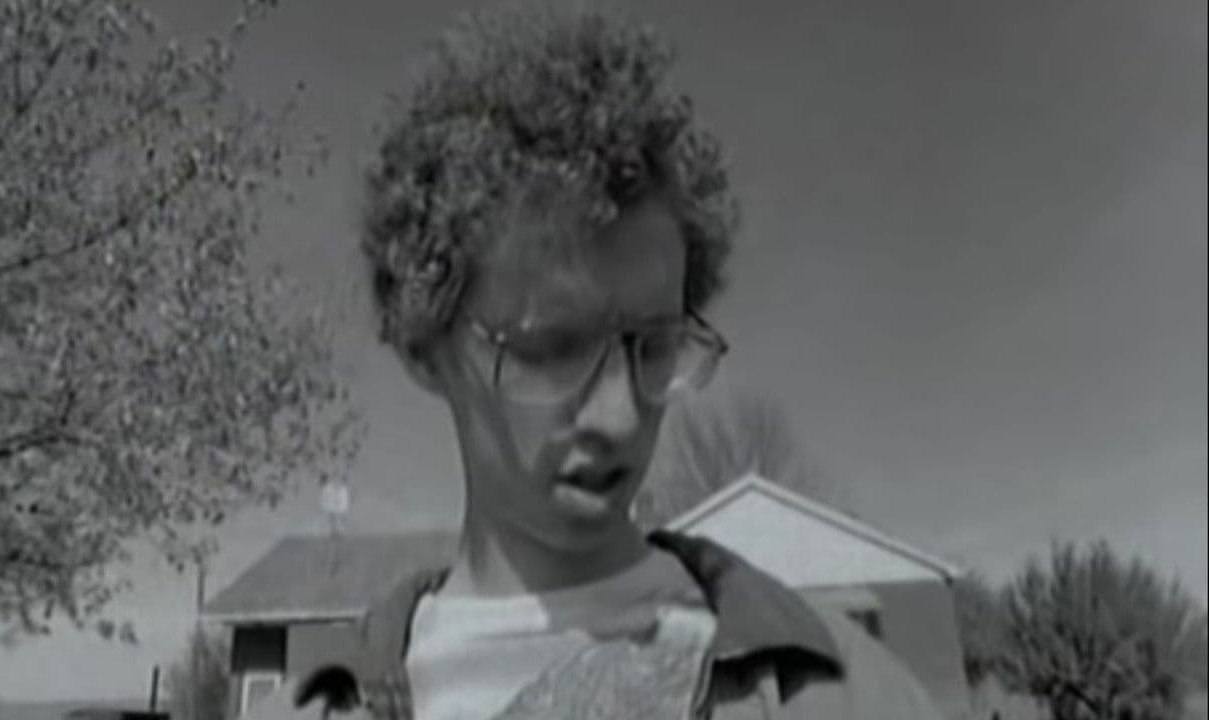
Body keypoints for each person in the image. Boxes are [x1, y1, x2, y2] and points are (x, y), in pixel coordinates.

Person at [248, 5, 946, 719]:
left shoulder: (844, 694)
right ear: (426, 345)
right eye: (551, 348)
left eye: (655, 345)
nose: (619, 416)